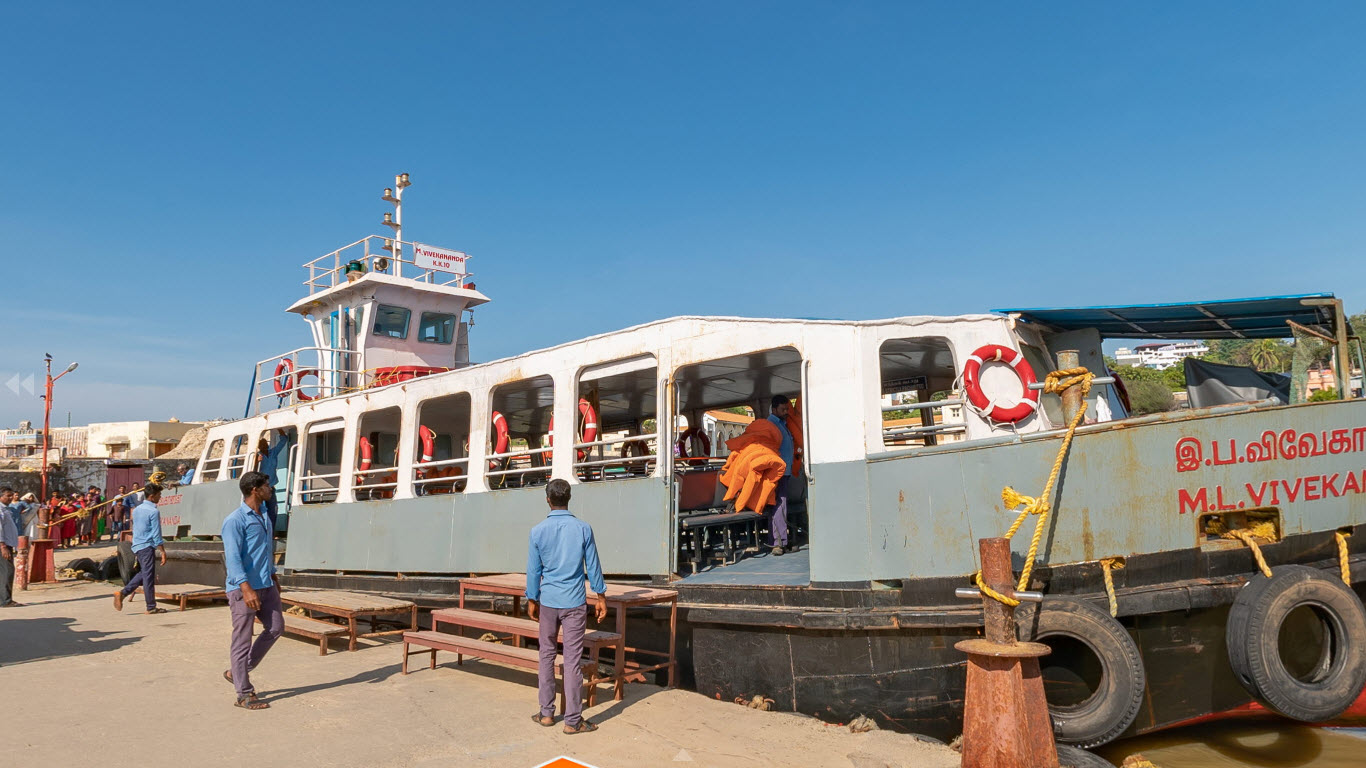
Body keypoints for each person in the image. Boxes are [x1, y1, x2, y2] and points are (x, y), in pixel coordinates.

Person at [525, 479, 608, 734]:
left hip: (548, 601)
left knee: (546, 656)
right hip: (574, 602)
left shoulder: (537, 531)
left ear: (548, 500)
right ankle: (573, 721)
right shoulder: (583, 528)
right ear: (569, 498)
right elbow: (592, 565)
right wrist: (601, 596)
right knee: (572, 660)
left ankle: (547, 713)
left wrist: (532, 598)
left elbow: (533, 570)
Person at [222, 471, 283, 711]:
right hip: (244, 589)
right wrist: (246, 588)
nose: (271, 489)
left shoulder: (264, 515)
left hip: (266, 584)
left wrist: (273, 574)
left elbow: (263, 550)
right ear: (255, 490)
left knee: (276, 628)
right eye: (267, 485)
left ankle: (237, 672)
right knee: (242, 639)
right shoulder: (235, 520)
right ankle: (243, 693)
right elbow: (233, 557)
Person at [113, 483, 168, 614]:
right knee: (148, 576)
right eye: (159, 495)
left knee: (144, 573)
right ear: (152, 496)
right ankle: (150, 606)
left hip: (137, 545)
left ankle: (123, 593)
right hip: (147, 545)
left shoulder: (137, 509)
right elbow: (156, 533)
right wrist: (162, 550)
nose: (160, 498)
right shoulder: (154, 511)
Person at [764, 395, 796, 556]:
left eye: (787, 409)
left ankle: (782, 540)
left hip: (785, 472)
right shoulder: (771, 425)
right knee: (777, 506)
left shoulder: (782, 424)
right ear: (774, 409)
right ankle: (777, 542)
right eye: (783, 409)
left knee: (782, 505)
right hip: (776, 474)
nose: (785, 412)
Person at [1, 487, 21, 607]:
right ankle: (5, 600)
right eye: (8, 496)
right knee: (7, 571)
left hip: (8, 544)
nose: (11, 498)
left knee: (4, 572)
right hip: (3, 545)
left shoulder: (6, 510)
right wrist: (2, 546)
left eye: (11, 495)